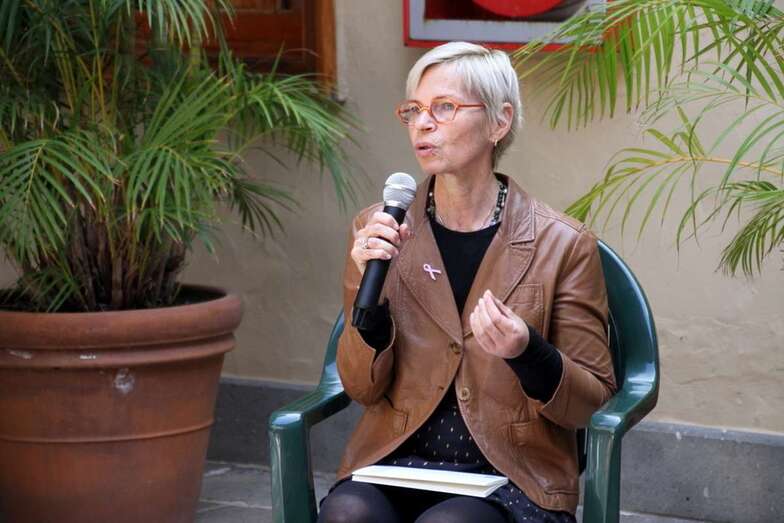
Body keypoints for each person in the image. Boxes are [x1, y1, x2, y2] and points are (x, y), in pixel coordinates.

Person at [318, 41, 617, 523]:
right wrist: (369, 313)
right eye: (414, 109)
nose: (422, 123)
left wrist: (527, 351)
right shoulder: (380, 230)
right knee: (347, 515)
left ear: (499, 122)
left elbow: (590, 402)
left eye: (444, 107)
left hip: (513, 474)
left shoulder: (563, 244)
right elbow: (361, 387)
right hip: (397, 460)